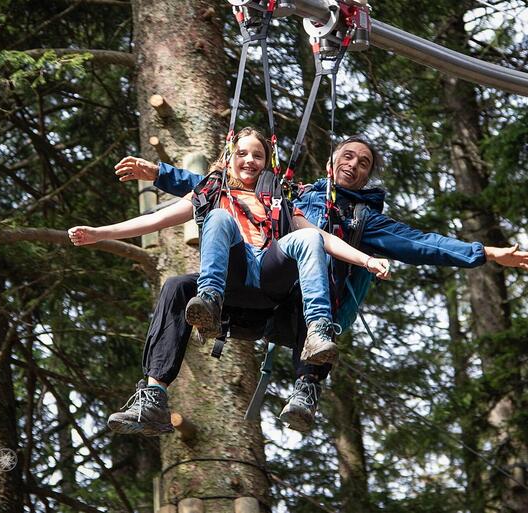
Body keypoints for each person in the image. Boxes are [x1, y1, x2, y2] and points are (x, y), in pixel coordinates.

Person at [114, 134, 528, 432]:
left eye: (364, 163)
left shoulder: (362, 220)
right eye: (348, 156)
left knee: (311, 280)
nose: (353, 165)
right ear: (330, 161)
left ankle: (307, 387)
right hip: (250, 292)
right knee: (176, 288)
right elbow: (220, 188)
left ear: (367, 176)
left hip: (299, 313)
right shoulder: (292, 195)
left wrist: (483, 252)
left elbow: (421, 243)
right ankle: (152, 398)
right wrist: (160, 174)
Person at [68, 127, 391, 436]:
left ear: (267, 163)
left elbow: (320, 237)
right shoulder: (211, 191)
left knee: (306, 238)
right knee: (181, 281)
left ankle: (316, 340)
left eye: (258, 156)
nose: (250, 161)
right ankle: (154, 397)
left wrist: (366, 260)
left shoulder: (279, 197)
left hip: (268, 279)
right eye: (242, 154)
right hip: (228, 284)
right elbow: (155, 219)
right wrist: (100, 233)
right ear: (229, 157)